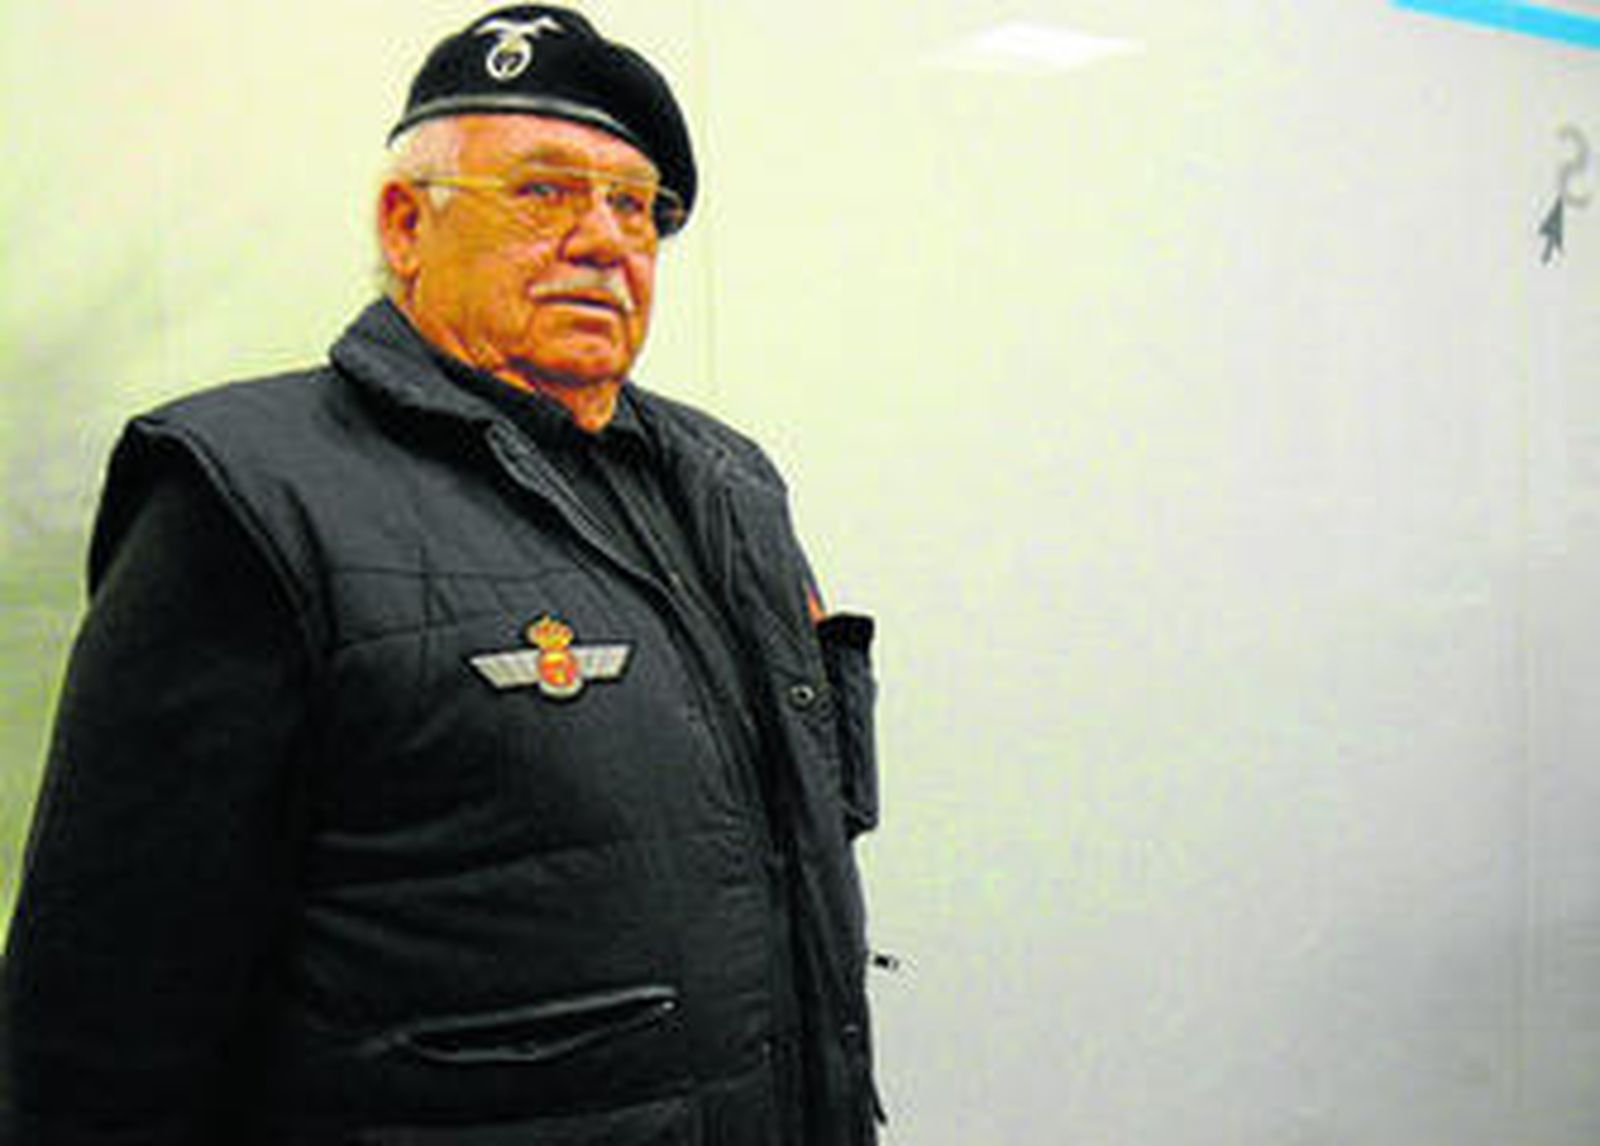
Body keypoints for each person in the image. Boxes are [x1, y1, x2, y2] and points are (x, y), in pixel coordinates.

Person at [0, 7, 882, 1144]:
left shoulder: (728, 484)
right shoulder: (249, 497)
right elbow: (102, 1030)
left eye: (635, 207)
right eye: (544, 193)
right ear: (405, 223)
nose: (605, 240)